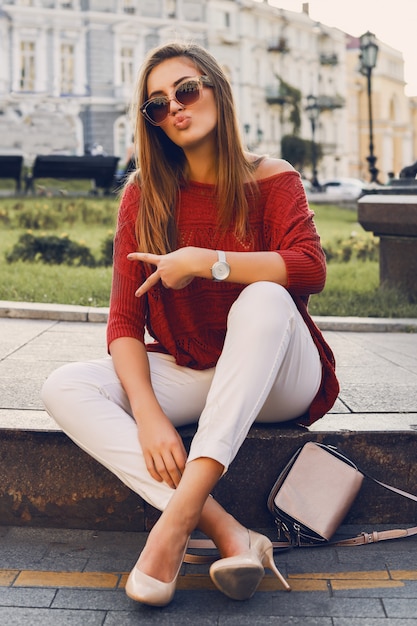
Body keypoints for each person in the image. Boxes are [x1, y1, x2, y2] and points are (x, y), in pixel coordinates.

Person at [41, 41, 339, 607]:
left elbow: (310, 268)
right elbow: (125, 323)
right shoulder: (144, 195)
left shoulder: (274, 179)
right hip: (198, 368)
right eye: (157, 104)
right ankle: (230, 531)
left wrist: (207, 262)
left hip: (281, 376)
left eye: (185, 90)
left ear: (216, 91)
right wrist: (149, 414)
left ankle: (174, 525)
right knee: (66, 385)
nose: (174, 107)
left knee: (265, 299)